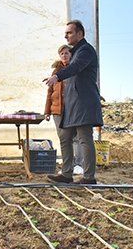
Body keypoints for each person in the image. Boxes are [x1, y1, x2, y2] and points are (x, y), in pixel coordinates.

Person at [43, 20, 102, 185]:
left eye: (69, 32)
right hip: (73, 104)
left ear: (80, 34)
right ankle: (66, 173)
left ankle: (89, 177)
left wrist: (57, 76)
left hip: (83, 103)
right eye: (66, 33)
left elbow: (75, 68)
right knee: (65, 137)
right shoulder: (77, 52)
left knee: (85, 138)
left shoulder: (85, 50)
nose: (65, 35)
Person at [44, 44, 84, 176]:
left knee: (77, 137)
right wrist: (47, 111)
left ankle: (79, 165)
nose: (64, 55)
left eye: (67, 53)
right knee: (63, 138)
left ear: (71, 55)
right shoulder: (55, 72)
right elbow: (50, 92)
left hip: (73, 109)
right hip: (57, 110)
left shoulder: (75, 69)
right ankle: (67, 165)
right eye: (62, 53)